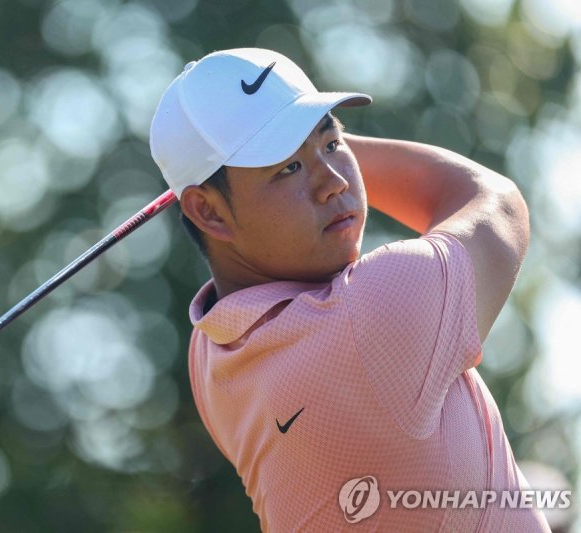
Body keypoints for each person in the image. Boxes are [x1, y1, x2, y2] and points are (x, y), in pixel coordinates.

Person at [149, 48, 549, 531]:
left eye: (333, 144)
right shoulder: (374, 310)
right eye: (287, 168)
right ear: (208, 212)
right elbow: (495, 203)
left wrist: (291, 142)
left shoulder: (211, 359)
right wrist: (322, 133)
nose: (334, 182)